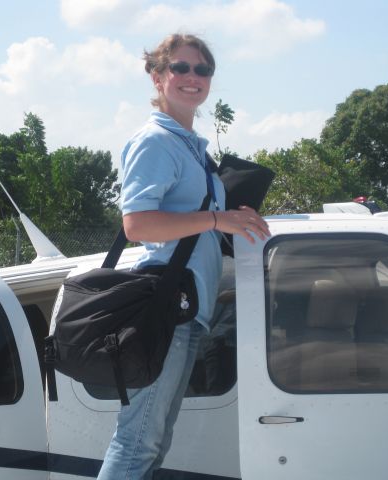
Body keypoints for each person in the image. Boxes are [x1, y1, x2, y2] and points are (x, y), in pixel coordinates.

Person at [97, 33, 270, 480]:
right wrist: (216, 221)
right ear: (157, 77)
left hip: (190, 306)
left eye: (202, 70)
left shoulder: (192, 147)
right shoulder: (155, 141)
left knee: (156, 437)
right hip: (165, 303)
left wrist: (230, 216)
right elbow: (137, 225)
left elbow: (193, 221)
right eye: (180, 68)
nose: (192, 77)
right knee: (138, 441)